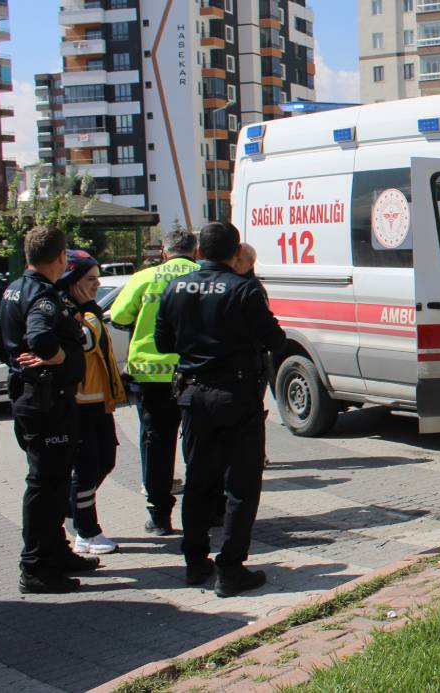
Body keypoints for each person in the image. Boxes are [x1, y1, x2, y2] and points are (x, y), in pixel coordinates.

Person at [156, 222, 286, 596]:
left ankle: (195, 563)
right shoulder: (244, 289)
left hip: (194, 394)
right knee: (241, 486)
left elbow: (164, 341)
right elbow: (274, 339)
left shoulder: (175, 287)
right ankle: (230, 569)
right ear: (235, 255)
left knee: (198, 482)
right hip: (237, 395)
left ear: (198, 252)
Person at [0, 227, 100, 593]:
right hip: (46, 402)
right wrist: (56, 357)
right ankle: (36, 567)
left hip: (33, 397)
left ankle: (56, 552)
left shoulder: (13, 289)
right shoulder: (43, 296)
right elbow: (39, 337)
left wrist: (22, 366)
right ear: (60, 258)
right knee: (46, 485)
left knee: (51, 482)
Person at [109, 228, 199, 536]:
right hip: (194, 374)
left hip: (151, 378)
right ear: (195, 250)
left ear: (164, 251)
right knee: (199, 444)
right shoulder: (204, 275)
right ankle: (206, 512)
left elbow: (119, 317)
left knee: (156, 446)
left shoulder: (144, 278)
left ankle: (159, 516)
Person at [58, 250, 127, 555]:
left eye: (98, 277)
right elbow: (83, 343)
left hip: (100, 400)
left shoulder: (87, 308)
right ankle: (86, 531)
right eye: (90, 278)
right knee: (86, 468)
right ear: (72, 280)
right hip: (79, 402)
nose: (97, 283)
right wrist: (87, 312)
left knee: (106, 461)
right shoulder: (67, 311)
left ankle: (70, 507)